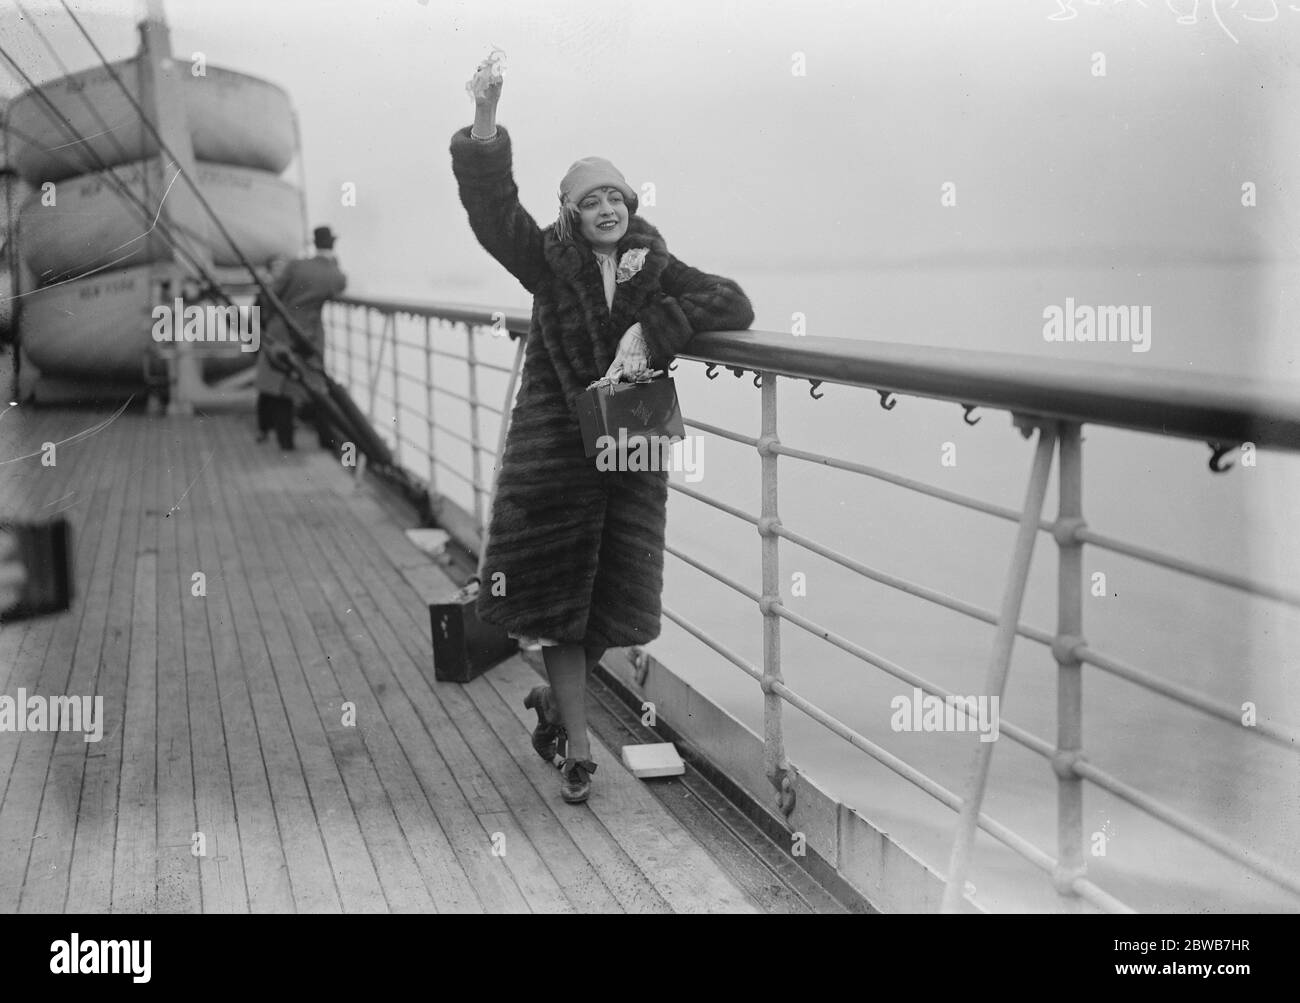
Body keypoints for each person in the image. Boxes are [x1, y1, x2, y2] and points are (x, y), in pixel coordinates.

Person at [450, 57, 755, 804]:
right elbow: (495, 215)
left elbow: (733, 301)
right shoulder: (548, 263)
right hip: (555, 459)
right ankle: (580, 752)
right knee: (558, 603)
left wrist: (655, 329)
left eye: (616, 195)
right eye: (592, 201)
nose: (608, 208)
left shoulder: (655, 264)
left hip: (628, 456)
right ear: (571, 213)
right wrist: (486, 125)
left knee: (612, 609)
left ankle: (557, 706)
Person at [254, 228, 347, 450]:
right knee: (315, 387)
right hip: (310, 337)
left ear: (314, 244)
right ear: (332, 245)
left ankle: (286, 444)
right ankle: (327, 441)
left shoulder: (296, 265)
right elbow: (340, 288)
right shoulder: (335, 274)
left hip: (280, 332)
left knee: (280, 388)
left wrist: (269, 321)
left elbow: (272, 294)